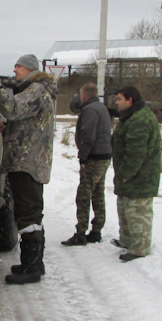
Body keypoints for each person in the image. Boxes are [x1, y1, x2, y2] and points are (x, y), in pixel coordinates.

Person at [0, 54, 57, 284]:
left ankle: (30, 267)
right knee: (30, 213)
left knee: (28, 215)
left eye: (18, 67)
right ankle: (35, 263)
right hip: (28, 159)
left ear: (30, 69)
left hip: (27, 162)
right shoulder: (38, 90)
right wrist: (9, 128)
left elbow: (12, 107)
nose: (15, 70)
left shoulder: (35, 90)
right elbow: (24, 119)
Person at [111, 85, 161, 262]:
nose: (116, 102)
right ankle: (127, 240)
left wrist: (126, 173)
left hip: (140, 177)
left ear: (129, 100)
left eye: (119, 99)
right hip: (129, 177)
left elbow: (136, 152)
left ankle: (140, 248)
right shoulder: (131, 116)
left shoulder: (140, 119)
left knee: (137, 211)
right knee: (125, 208)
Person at [61, 82, 112, 246]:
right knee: (98, 193)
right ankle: (96, 230)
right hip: (104, 156)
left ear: (83, 96)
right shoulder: (101, 107)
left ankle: (81, 232)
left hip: (93, 157)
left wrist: (83, 157)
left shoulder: (89, 110)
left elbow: (87, 135)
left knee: (84, 194)